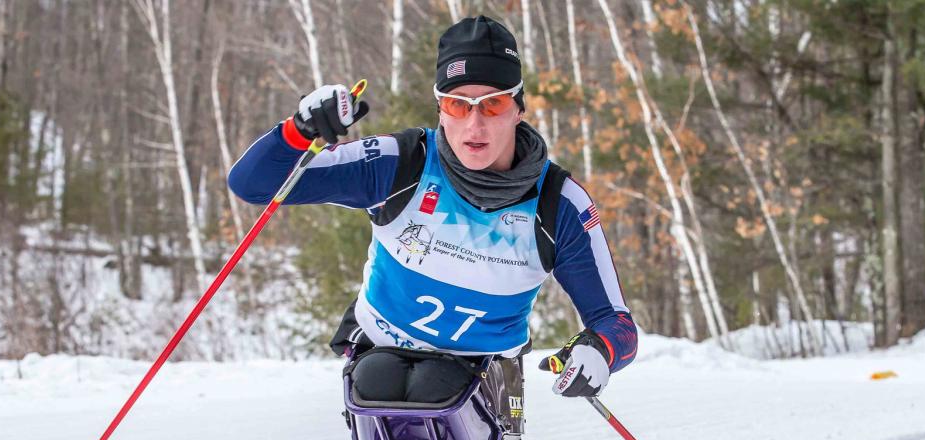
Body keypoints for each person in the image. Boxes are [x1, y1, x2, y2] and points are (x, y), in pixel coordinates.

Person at [228, 15, 637, 402]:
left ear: (518, 108)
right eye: (458, 105)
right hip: (379, 350)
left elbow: (615, 321)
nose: (474, 126)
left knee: (437, 390)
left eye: (492, 105)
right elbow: (253, 183)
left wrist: (598, 351)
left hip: (485, 374)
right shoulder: (401, 163)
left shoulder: (559, 202)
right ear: (440, 107)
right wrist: (299, 129)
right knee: (380, 384)